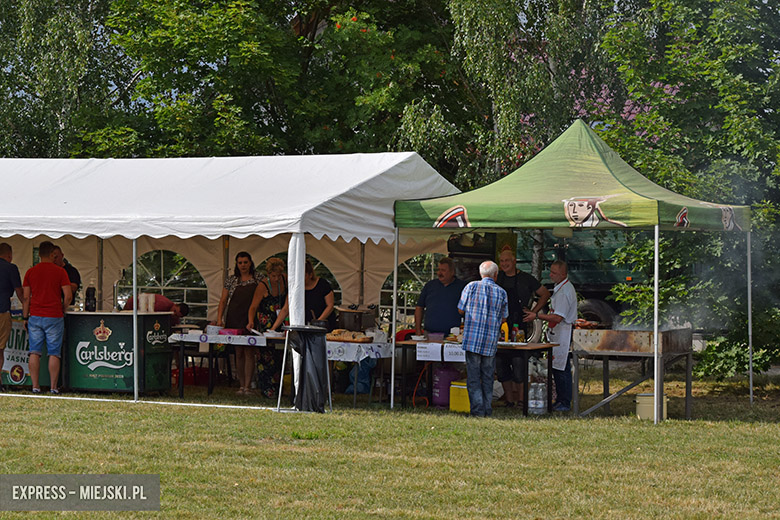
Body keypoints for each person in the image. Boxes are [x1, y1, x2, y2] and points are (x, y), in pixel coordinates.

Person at [495, 248, 551, 407]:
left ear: (514, 261)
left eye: (507, 261)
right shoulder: (497, 278)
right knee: (501, 364)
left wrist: (534, 312)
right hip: (500, 327)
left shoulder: (527, 279)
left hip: (519, 326)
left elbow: (545, 294)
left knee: (519, 365)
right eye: (502, 261)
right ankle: (509, 400)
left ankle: (521, 400)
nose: (504, 264)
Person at [524, 260, 577, 411]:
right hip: (557, 333)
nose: (550, 275)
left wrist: (536, 316)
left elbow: (558, 317)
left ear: (563, 274)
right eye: (551, 271)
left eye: (554, 273)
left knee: (562, 368)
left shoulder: (565, 291)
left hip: (563, 333)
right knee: (557, 367)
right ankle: (560, 399)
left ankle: (565, 402)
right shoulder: (560, 288)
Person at [457, 260, 508, 417]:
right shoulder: (502, 292)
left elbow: (460, 309)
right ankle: (487, 409)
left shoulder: (471, 287)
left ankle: (478, 411)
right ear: (495, 275)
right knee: (488, 377)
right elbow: (505, 318)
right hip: (490, 341)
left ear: (481, 273)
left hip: (472, 339)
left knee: (473, 377)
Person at [22, 241, 72, 394]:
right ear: (52, 254)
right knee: (54, 352)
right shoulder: (60, 272)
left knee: (34, 352)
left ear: (38, 254)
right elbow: (68, 296)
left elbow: (25, 298)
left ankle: (35, 386)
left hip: (35, 315)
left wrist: (25, 317)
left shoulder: (30, 272)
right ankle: (53, 387)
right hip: (54, 316)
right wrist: (62, 308)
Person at [214, 252, 265, 395]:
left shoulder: (259, 278)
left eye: (245, 262)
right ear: (236, 264)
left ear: (250, 263)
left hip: (250, 319)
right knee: (238, 352)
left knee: (249, 351)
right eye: (240, 262)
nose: (243, 265)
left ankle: (248, 385)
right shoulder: (231, 280)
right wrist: (219, 319)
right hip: (234, 317)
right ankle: (241, 385)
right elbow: (223, 300)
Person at [248, 257, 286, 398]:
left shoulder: (285, 280)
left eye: (278, 275)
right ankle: (267, 390)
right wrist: (250, 321)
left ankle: (279, 389)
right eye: (273, 276)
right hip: (266, 323)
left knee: (280, 357)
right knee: (265, 358)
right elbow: (253, 306)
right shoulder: (263, 285)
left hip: (281, 322)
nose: (276, 278)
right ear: (268, 274)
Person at [271, 259, 336, 331]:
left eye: (303, 275)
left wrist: (318, 322)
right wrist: (273, 328)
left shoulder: (323, 284)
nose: (300, 278)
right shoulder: (295, 287)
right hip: (305, 326)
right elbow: (286, 309)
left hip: (325, 326)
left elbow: (330, 306)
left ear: (310, 275)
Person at [414, 257, 468, 336]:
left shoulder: (463, 287)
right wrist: (418, 330)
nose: (439, 273)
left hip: (454, 335)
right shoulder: (430, 286)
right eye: (439, 270)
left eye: (443, 270)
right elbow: (419, 307)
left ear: (452, 272)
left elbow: (468, 310)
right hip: (429, 334)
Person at [0, 243, 23, 392]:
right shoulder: (11, 268)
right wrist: (28, 310)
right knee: (0, 349)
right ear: (9, 255)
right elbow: (20, 293)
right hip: (2, 311)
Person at [124, 294, 189, 326]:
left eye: (176, 315)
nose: (173, 314)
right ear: (175, 304)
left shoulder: (174, 317)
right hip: (133, 304)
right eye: (174, 311)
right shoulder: (162, 304)